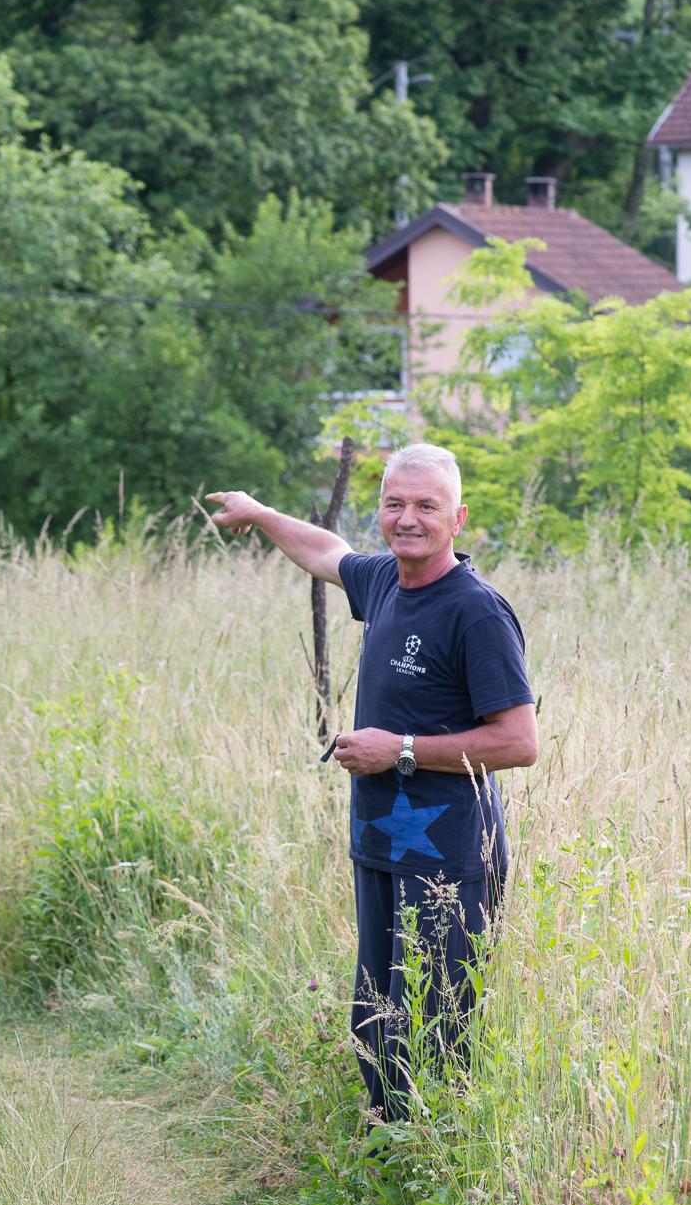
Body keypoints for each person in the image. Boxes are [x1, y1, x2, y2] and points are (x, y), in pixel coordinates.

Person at [206, 444, 537, 1124]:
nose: (407, 519)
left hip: (449, 858)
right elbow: (326, 552)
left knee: (439, 1025)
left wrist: (402, 751)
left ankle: (437, 1182)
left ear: (458, 517)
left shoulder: (475, 612)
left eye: (425, 506)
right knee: (379, 1017)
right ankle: (385, 1159)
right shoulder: (386, 582)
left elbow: (518, 742)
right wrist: (261, 514)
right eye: (394, 504)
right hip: (381, 848)